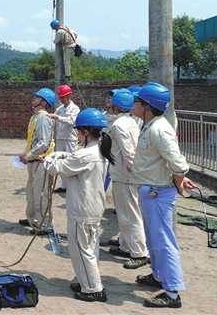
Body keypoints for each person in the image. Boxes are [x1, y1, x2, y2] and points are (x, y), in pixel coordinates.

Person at [132, 82, 196, 309]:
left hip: (158, 192)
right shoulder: (150, 124)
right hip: (152, 190)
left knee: (163, 242)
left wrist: (179, 176)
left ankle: (172, 293)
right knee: (153, 240)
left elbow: (177, 161)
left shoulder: (159, 129)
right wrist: (178, 176)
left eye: (137, 101)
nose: (134, 104)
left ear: (147, 106)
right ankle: (158, 276)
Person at [42, 108, 113, 303]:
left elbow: (56, 168)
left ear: (85, 132)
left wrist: (49, 158)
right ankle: (86, 280)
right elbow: (74, 158)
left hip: (82, 209)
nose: (77, 135)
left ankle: (93, 289)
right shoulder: (98, 149)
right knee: (91, 246)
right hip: (93, 207)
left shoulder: (86, 155)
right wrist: (61, 154)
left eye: (78, 131)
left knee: (81, 249)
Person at [106, 89, 150, 269]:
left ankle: (140, 253)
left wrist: (136, 175)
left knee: (131, 215)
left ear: (115, 106)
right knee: (125, 214)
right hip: (126, 175)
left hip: (126, 176)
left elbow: (128, 153)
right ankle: (126, 246)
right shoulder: (132, 121)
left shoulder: (119, 125)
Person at [18, 88, 55, 235]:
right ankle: (34, 218)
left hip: (41, 162)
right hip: (33, 161)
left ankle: (44, 224)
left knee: (41, 194)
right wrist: (27, 154)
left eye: (37, 97)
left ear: (44, 102)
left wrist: (30, 154)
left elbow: (43, 143)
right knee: (32, 192)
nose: (33, 98)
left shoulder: (43, 118)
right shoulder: (35, 117)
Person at [49, 84, 80, 192]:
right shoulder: (59, 109)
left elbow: (71, 121)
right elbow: (54, 122)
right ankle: (64, 186)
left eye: (64, 97)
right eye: (61, 97)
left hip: (70, 139)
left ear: (69, 96)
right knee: (61, 162)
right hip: (60, 138)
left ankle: (74, 186)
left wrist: (57, 117)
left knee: (71, 162)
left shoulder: (75, 109)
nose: (62, 99)